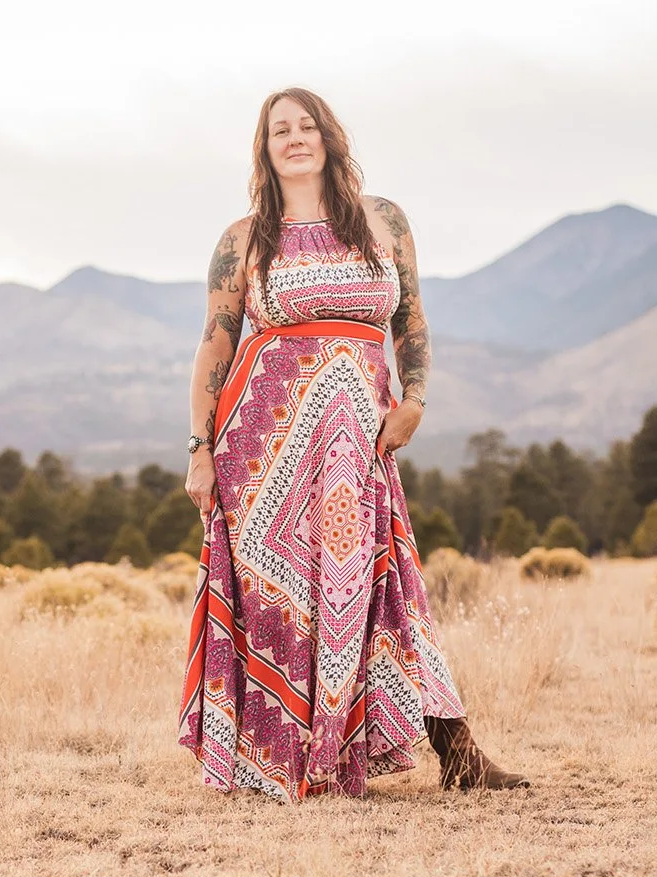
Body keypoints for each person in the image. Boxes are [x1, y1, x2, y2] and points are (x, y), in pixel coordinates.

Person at [177, 86, 529, 802]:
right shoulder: (243, 240)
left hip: (356, 445)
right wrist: (200, 448)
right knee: (282, 600)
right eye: (280, 129)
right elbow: (215, 347)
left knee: (379, 586)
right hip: (265, 451)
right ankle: (281, 760)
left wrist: (417, 399)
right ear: (265, 147)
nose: (295, 137)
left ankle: (455, 752)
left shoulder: (382, 222)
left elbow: (413, 322)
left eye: (307, 125)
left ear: (330, 138)